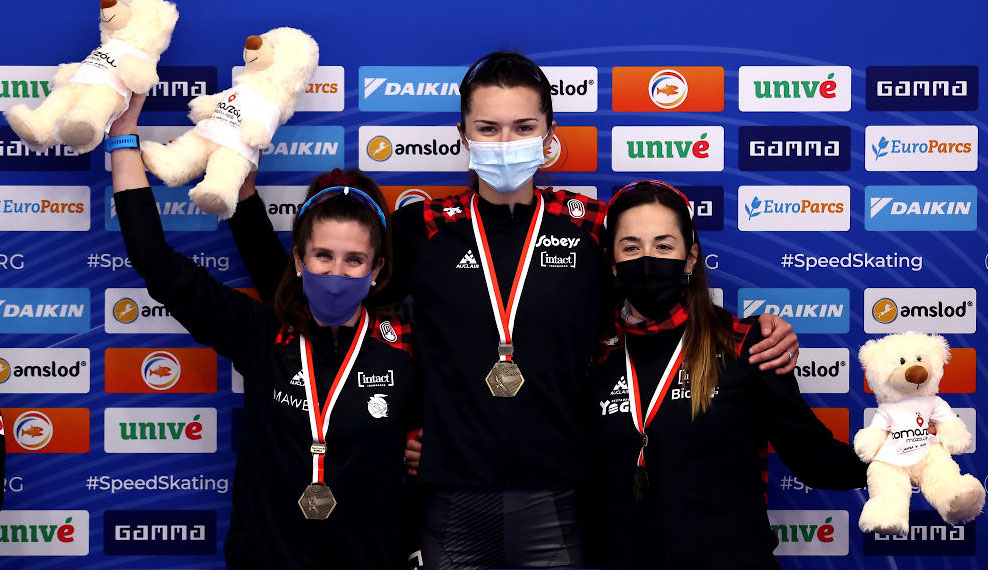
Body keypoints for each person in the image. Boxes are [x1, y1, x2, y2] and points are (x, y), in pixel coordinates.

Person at [229, 51, 799, 569]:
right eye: (489, 128)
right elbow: (312, 292)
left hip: (560, 499)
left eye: (524, 127)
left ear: (549, 135)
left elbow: (662, 304)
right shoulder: (422, 230)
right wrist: (245, 200)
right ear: (464, 136)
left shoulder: (593, 229)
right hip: (450, 497)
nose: (506, 141)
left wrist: (755, 332)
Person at [108, 94, 416, 569]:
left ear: (377, 269)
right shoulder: (261, 331)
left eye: (354, 260)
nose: (336, 272)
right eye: (323, 256)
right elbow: (155, 261)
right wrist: (122, 137)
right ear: (298, 259)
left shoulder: (404, 344)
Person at [591, 180, 868, 569]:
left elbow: (815, 458)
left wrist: (904, 452)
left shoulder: (745, 344)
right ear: (613, 261)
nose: (648, 259)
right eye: (631, 247)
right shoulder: (592, 357)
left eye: (664, 245)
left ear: (690, 258)